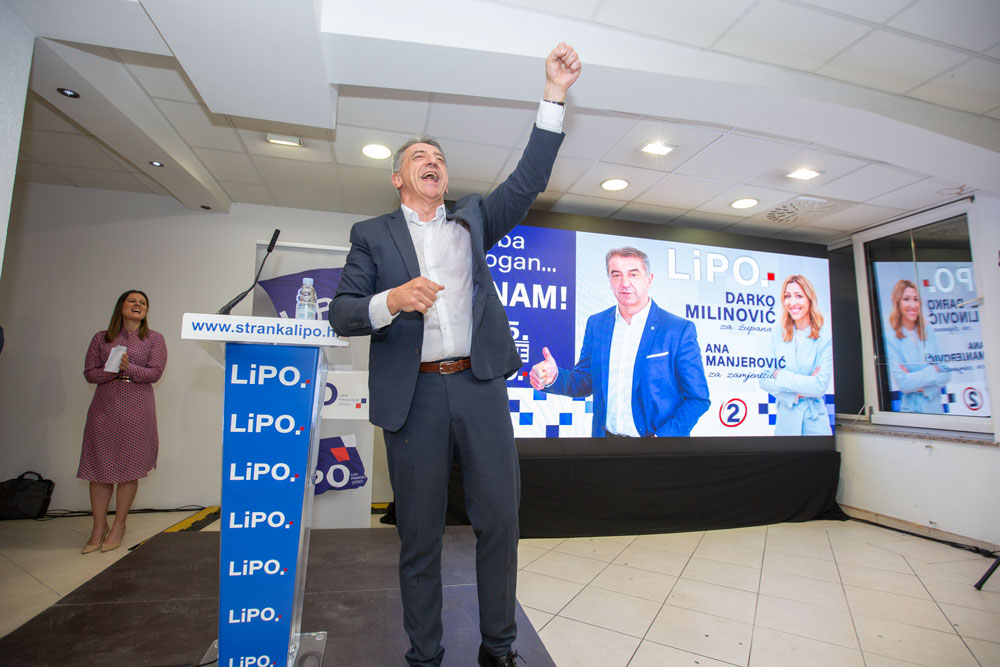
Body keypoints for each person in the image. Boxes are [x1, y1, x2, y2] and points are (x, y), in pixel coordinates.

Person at [330, 43, 581, 667]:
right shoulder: (372, 235)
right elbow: (342, 311)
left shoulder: (473, 219)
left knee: (500, 520)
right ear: (398, 178)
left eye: (439, 158)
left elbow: (528, 179)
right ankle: (425, 655)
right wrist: (393, 299)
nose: (433, 162)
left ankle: (499, 647)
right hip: (413, 397)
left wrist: (553, 95)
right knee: (419, 534)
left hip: (479, 386)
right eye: (419, 157)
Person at [530, 247, 710, 437]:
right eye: (616, 275)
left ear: (649, 279)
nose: (625, 283)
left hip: (656, 448)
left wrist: (661, 441)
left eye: (633, 274)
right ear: (609, 280)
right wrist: (554, 377)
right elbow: (585, 381)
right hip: (605, 445)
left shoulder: (678, 330)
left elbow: (698, 398)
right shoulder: (597, 324)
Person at [77, 290, 167, 553]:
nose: (138, 305)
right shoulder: (101, 338)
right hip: (104, 407)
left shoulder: (154, 339)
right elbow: (89, 374)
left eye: (143, 303)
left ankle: (119, 525)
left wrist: (128, 368)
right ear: (121, 306)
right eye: (132, 301)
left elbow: (155, 373)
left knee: (129, 468)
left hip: (137, 408)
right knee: (99, 468)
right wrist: (112, 369)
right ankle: (98, 527)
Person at [758, 275, 833, 435]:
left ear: (809, 299)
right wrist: (796, 393)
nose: (792, 302)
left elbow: (819, 386)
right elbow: (763, 379)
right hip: (786, 420)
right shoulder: (778, 333)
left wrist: (780, 375)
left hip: (815, 423)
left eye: (799, 296)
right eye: (787, 296)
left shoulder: (825, 336)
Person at [883, 278, 951, 413]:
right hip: (912, 412)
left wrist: (921, 386)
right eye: (906, 299)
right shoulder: (891, 338)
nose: (912, 304)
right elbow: (904, 384)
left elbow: (946, 373)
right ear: (897, 303)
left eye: (916, 299)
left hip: (935, 410)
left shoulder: (929, 333)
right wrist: (933, 370)